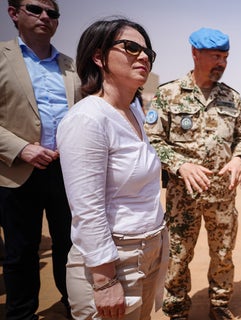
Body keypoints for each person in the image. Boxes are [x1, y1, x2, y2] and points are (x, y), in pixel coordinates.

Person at [56, 17, 166, 320]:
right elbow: (86, 209)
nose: (143, 56)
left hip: (148, 254)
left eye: (148, 52)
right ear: (98, 56)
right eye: (131, 47)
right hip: (113, 263)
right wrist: (105, 281)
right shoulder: (88, 119)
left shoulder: (133, 111)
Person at [145, 27, 241, 320]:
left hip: (222, 195)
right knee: (178, 257)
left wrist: (239, 159)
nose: (222, 63)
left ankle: (219, 304)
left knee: (223, 255)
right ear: (195, 54)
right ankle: (177, 308)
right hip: (184, 196)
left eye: (225, 57)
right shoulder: (169, 94)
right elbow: (153, 140)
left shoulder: (232, 97)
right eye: (216, 56)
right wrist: (180, 164)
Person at [0, 1, 81, 318]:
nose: (45, 17)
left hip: (66, 170)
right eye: (35, 9)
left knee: (70, 245)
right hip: (17, 170)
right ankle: (22, 313)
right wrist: (21, 148)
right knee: (20, 252)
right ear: (13, 13)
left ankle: (73, 305)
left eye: (52, 13)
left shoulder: (70, 65)